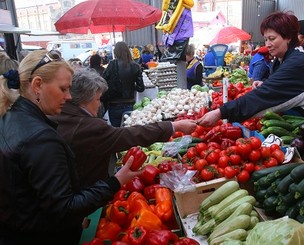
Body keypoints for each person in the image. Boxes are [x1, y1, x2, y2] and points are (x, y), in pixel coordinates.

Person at [0, 50, 141, 244]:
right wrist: (115, 182)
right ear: (38, 85)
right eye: (63, 89)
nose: (68, 97)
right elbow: (65, 208)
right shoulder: (41, 140)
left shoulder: (9, 118)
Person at [50, 68, 197, 188]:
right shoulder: (87, 126)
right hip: (81, 192)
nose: (100, 104)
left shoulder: (60, 113)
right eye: (98, 99)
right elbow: (130, 135)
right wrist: (173, 126)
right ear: (85, 100)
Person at [197, 11, 304, 127]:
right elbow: (280, 88)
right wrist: (266, 83)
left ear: (289, 38)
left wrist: (221, 112)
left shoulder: (300, 61)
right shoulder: (282, 59)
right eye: (266, 39)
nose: (268, 44)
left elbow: (265, 95)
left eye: (272, 39)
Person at [102, 41, 145, 127]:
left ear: (116, 52)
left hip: (114, 104)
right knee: (128, 131)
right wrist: (132, 86)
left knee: (116, 132)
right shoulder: (135, 66)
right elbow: (141, 88)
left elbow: (102, 81)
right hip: (129, 104)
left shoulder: (112, 65)